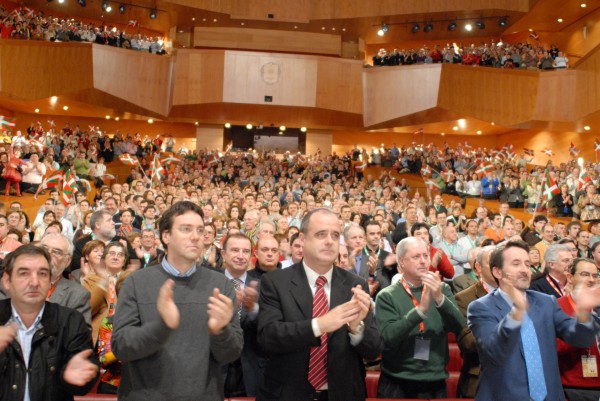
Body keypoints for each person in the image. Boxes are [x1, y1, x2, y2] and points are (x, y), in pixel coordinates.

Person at [112, 201, 243, 401]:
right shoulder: (136, 283)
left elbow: (230, 354)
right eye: (186, 229)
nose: (196, 236)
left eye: (200, 230)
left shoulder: (221, 286)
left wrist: (221, 331)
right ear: (166, 236)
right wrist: (162, 326)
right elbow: (121, 347)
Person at [257, 208, 383, 401]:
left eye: (335, 235)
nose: (330, 241)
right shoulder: (275, 282)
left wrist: (356, 329)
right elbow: (268, 337)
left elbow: (373, 350)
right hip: (288, 394)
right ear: (302, 238)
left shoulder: (355, 285)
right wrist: (320, 325)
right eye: (321, 234)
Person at [467, 240, 600, 401]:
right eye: (516, 264)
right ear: (498, 272)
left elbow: (580, 339)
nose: (524, 269)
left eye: (527, 263)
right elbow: (494, 352)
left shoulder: (546, 302)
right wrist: (516, 314)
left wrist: (583, 312)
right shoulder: (481, 307)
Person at [0, 245, 99, 401]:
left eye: (42, 274)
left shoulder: (71, 320)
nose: (34, 282)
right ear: (7, 280)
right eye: (24, 273)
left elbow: (84, 375)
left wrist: (76, 378)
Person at [375, 236, 465, 399]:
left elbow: (459, 326)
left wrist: (439, 299)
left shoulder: (442, 289)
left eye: (425, 256)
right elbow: (387, 337)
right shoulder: (387, 296)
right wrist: (420, 311)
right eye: (416, 257)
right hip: (397, 383)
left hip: (435, 382)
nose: (423, 261)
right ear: (401, 262)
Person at [221, 234, 262, 397]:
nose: (240, 256)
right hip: (215, 368)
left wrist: (252, 308)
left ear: (251, 256)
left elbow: (269, 328)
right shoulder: (209, 282)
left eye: (246, 251)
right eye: (235, 250)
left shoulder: (264, 284)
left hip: (251, 368)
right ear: (223, 254)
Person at [455, 245, 497, 398]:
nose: (498, 268)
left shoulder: (518, 296)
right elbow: (468, 342)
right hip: (479, 377)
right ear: (478, 267)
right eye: (492, 263)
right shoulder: (465, 298)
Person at [556, 258, 600, 401]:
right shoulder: (557, 307)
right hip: (573, 387)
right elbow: (554, 347)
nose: (591, 280)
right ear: (570, 277)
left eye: (595, 275)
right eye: (585, 274)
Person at [40, 233, 92, 328]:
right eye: (44, 249)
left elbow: (81, 338)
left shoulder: (78, 295)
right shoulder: (15, 284)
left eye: (56, 252)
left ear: (67, 261)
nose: (48, 254)